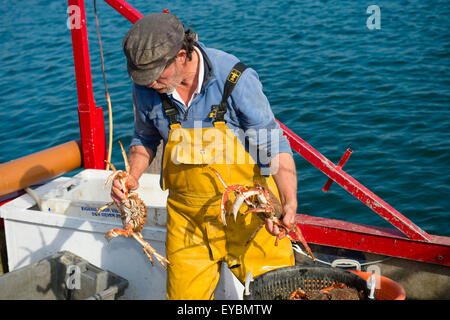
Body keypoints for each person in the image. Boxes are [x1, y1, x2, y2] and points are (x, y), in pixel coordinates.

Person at [113, 12, 298, 299]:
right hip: (189, 226)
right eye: (142, 78)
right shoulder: (146, 88)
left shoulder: (235, 80)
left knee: (279, 296)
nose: (149, 85)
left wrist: (288, 202)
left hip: (251, 219)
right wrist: (132, 176)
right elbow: (145, 137)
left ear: (181, 56)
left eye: (154, 76)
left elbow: (272, 145)